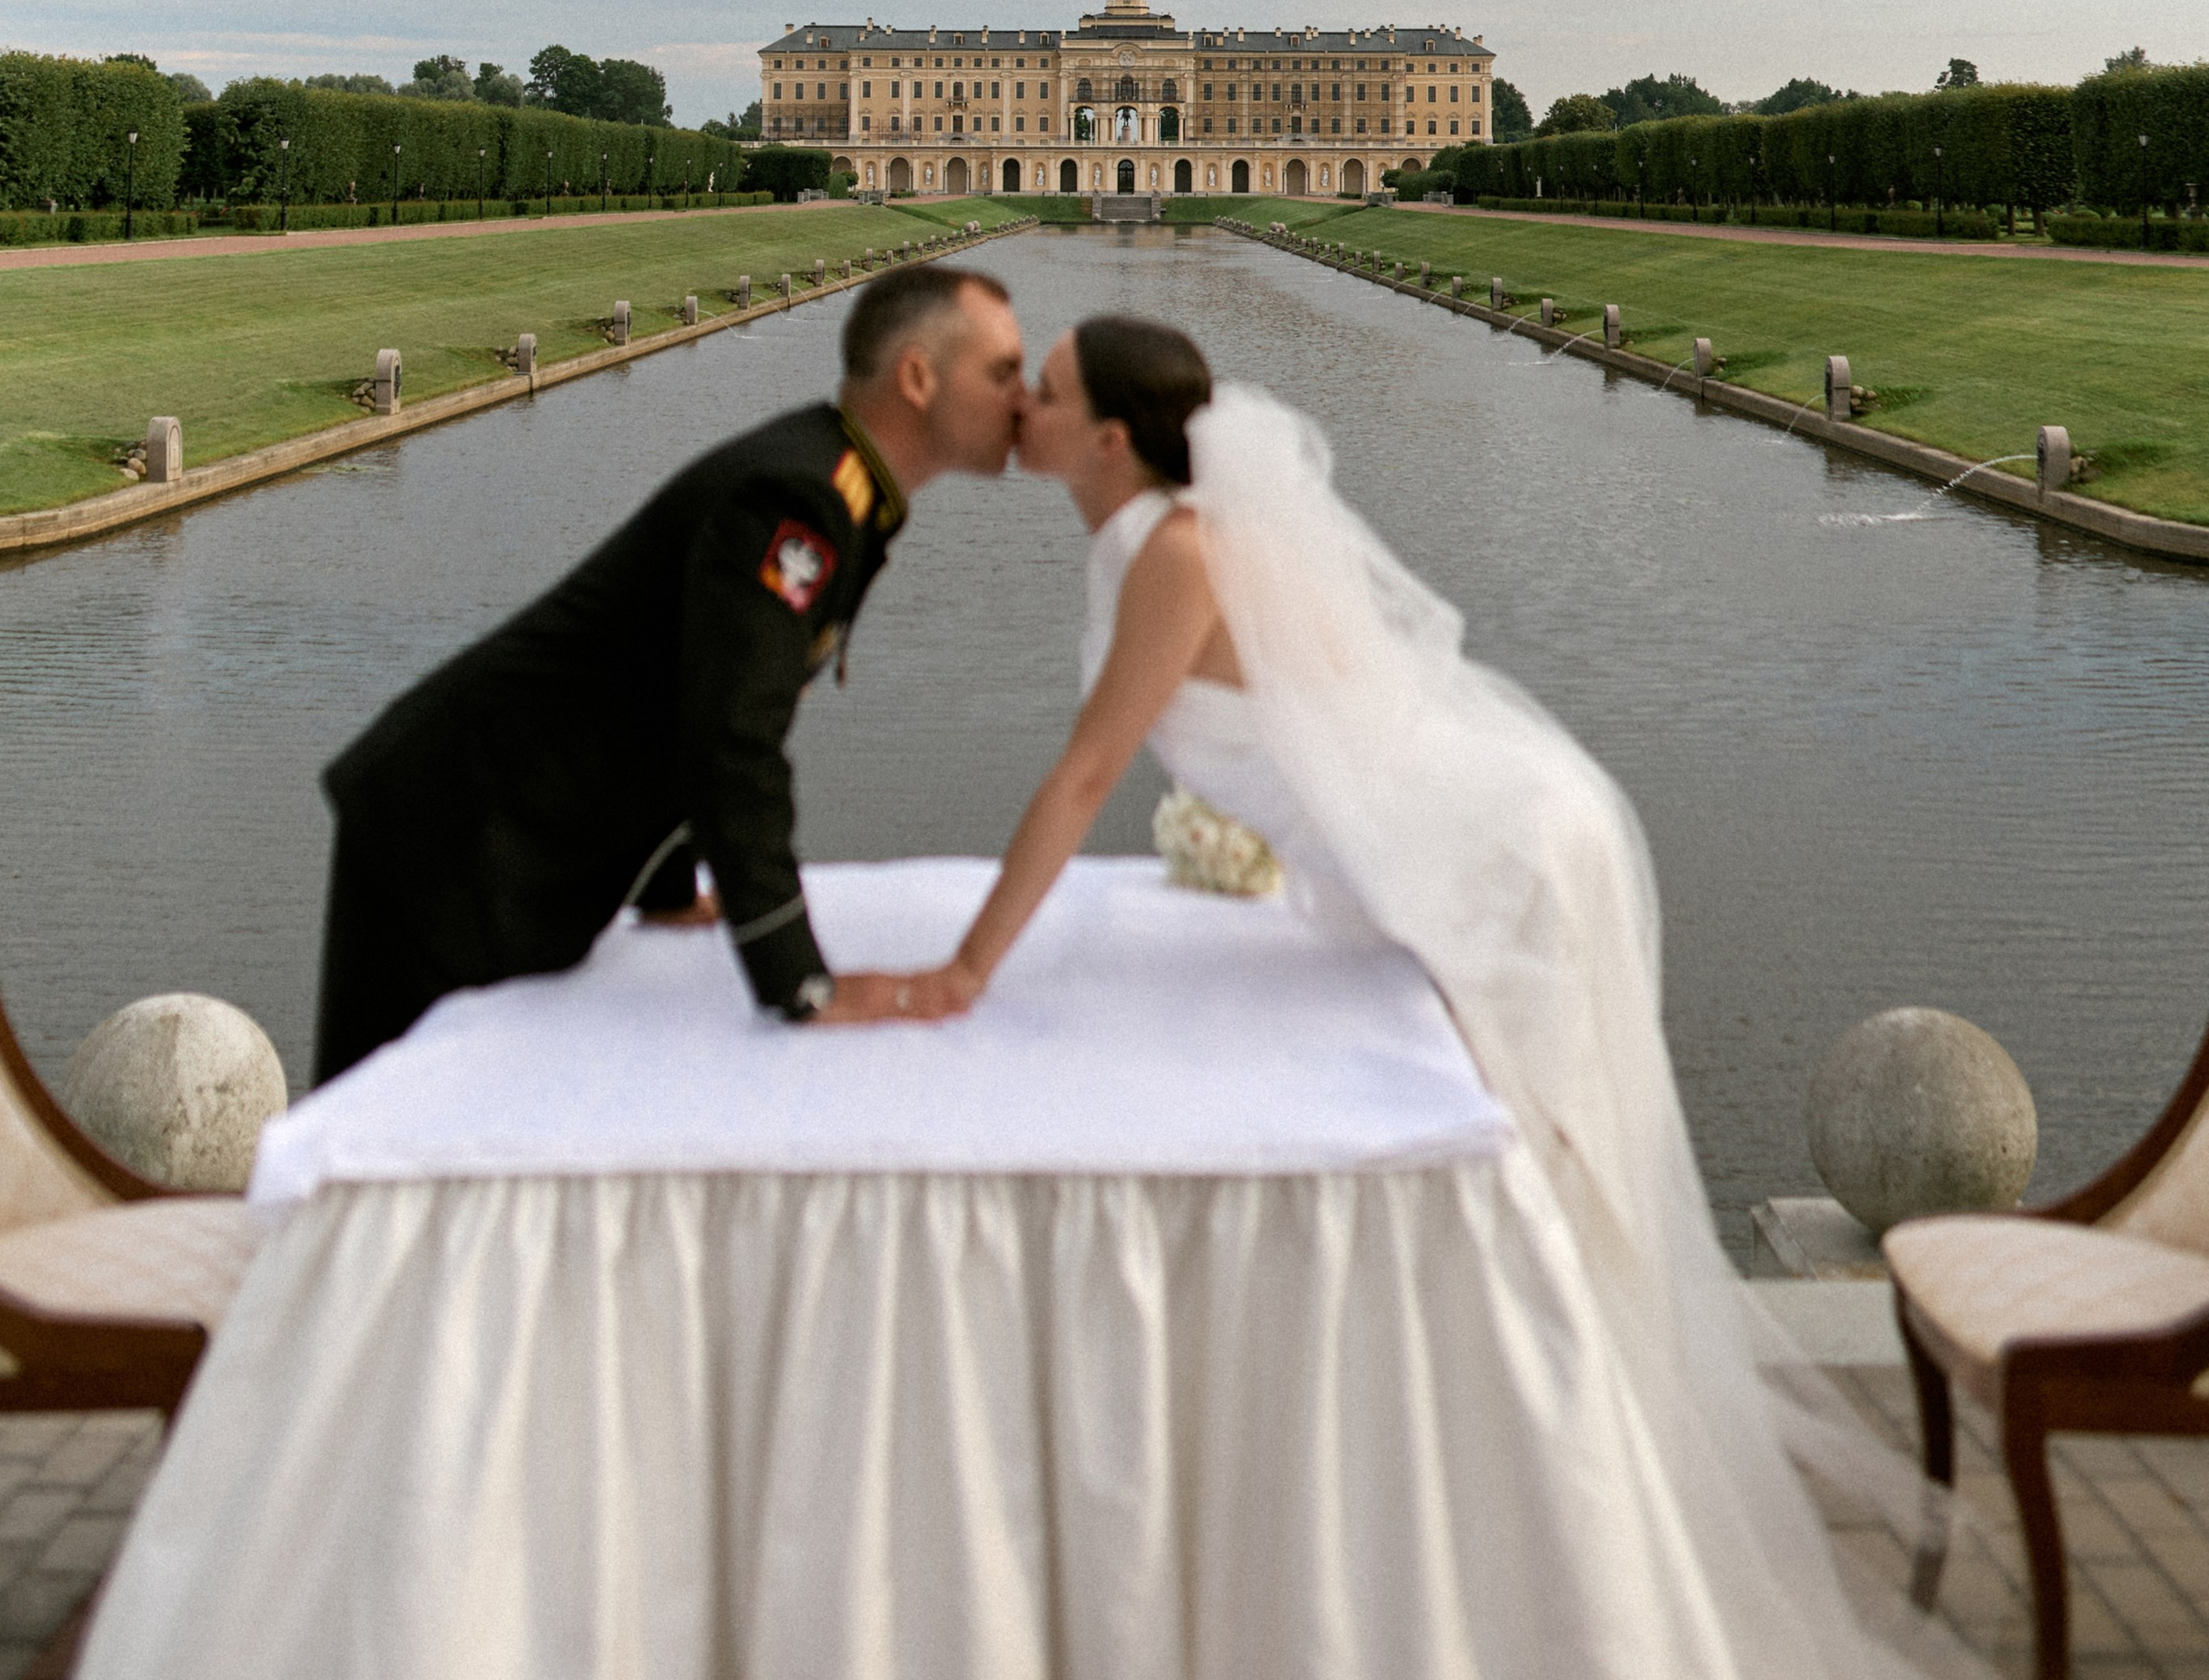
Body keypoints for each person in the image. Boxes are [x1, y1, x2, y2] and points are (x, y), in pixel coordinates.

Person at [840, 314, 1966, 1680]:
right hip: (1444, 844)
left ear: (1112, 439)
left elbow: (1084, 778)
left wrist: (965, 972)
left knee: (1540, 1195)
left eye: (1049, 390)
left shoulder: (1173, 552)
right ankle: (1534, 1509)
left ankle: (1567, 1534)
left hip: (1492, 859)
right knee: (1537, 1193)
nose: (1021, 404)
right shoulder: (1152, 539)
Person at [309, 265, 1025, 1079]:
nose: (1023, 397)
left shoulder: (838, 483)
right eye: (1003, 371)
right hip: (453, 834)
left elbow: (681, 685)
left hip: (487, 832)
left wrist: (668, 889)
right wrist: (799, 983)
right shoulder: (801, 496)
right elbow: (733, 736)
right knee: (370, 1154)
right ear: (919, 378)